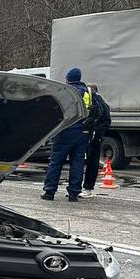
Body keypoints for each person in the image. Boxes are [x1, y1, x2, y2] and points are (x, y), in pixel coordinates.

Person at [41, 67, 90, 202]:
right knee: (77, 163)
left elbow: (56, 111)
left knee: (56, 162)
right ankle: (74, 193)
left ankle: (49, 192)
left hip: (65, 131)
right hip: (82, 132)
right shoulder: (87, 93)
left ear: (68, 79)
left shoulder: (66, 92)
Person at [79, 83, 112, 197]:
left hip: (93, 135)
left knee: (91, 161)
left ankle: (87, 187)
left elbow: (103, 120)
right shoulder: (101, 102)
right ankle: (84, 187)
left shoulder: (98, 103)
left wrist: (95, 132)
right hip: (93, 135)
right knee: (88, 160)